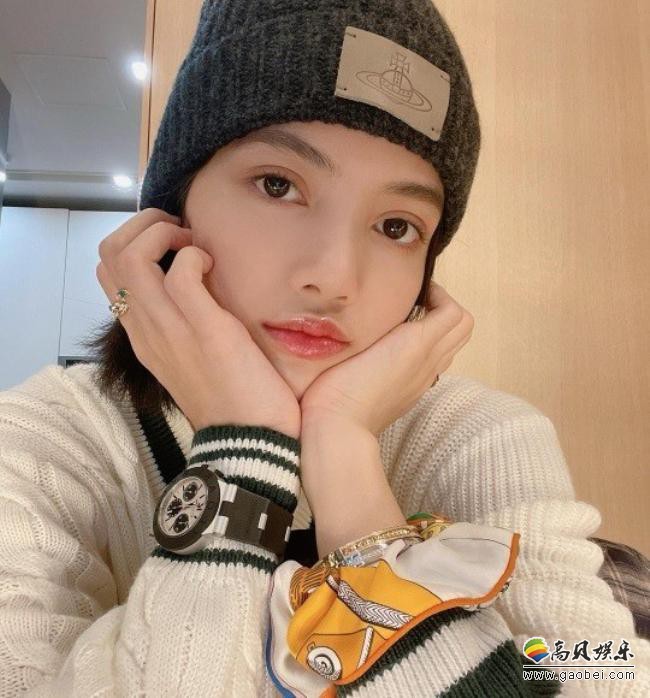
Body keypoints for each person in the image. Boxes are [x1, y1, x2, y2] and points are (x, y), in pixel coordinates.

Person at [0, 1, 647, 696]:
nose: (335, 277)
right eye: (278, 185)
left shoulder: (481, 436)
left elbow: (608, 669)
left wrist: (351, 477)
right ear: (173, 212)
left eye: (396, 226)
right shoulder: (44, 443)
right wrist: (243, 453)